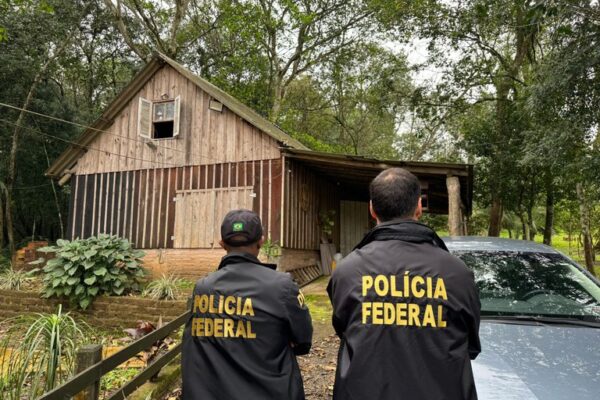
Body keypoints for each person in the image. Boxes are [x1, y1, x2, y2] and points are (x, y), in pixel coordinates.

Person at [327, 168, 481, 400]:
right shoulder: (457, 274)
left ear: (372, 209)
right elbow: (470, 345)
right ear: (419, 206)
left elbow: (344, 329)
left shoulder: (347, 272)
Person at [182, 209, 313, 400]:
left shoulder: (203, 288)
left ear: (222, 244)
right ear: (261, 241)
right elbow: (303, 340)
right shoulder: (282, 286)